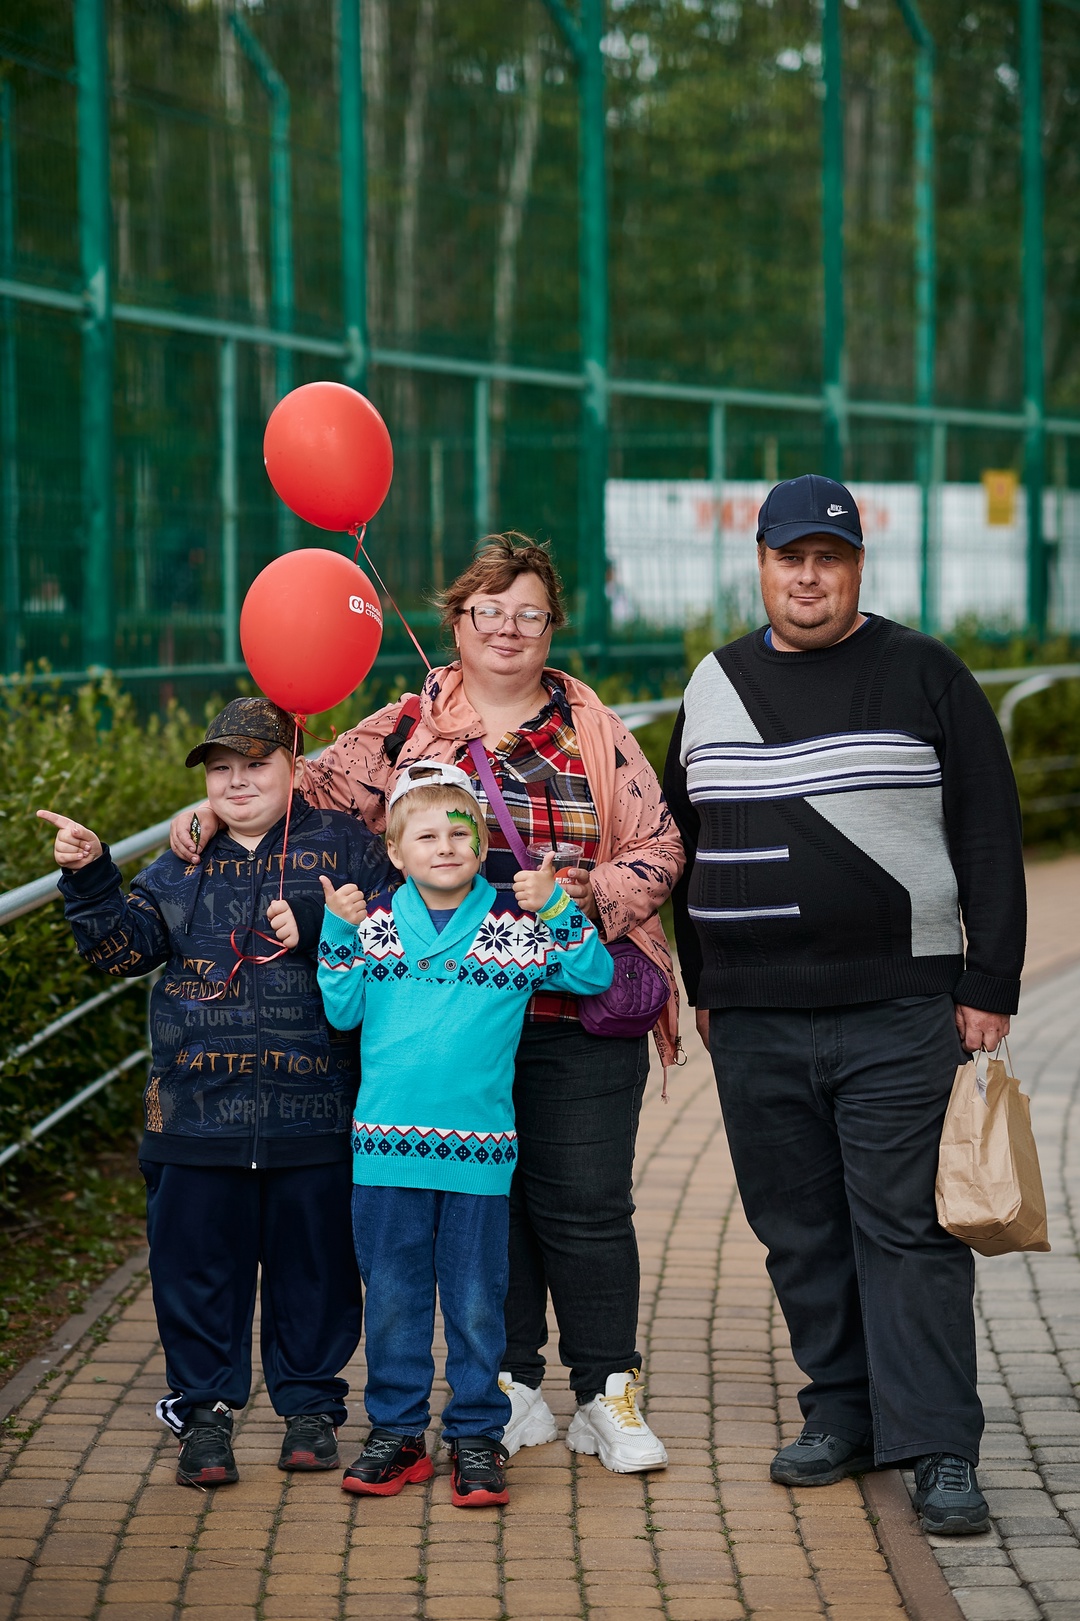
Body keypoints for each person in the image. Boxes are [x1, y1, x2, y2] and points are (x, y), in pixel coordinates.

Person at [172, 534, 684, 1473]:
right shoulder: (403, 726)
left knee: (583, 1207)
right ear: (457, 620)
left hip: (567, 1004)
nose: (508, 629)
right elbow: (299, 790)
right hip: (435, 1018)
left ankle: (609, 1392)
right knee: (496, 1208)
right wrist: (215, 812)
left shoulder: (592, 728)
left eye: (528, 613)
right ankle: (514, 1387)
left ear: (550, 628)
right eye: (489, 610)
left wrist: (574, 901)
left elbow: (659, 846)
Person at [663, 474, 1026, 1538]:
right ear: (763, 565)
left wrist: (990, 980)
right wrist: (705, 986)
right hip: (756, 1018)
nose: (808, 576)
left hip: (898, 1007)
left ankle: (939, 1449)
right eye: (789, 556)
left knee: (909, 1230)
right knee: (799, 1229)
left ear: (858, 566)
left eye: (828, 556)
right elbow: (684, 846)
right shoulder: (715, 682)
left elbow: (991, 832)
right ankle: (845, 1415)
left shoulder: (926, 673)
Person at [41, 698, 391, 1488]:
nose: (238, 781)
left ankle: (310, 1409)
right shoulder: (182, 859)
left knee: (319, 1267)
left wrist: (314, 918)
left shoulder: (349, 848)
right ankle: (205, 1414)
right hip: (195, 1114)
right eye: (221, 768)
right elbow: (122, 949)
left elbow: (394, 934)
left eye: (256, 764)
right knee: (194, 1266)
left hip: (320, 1113)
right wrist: (89, 871)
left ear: (293, 766)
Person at [318, 763, 614, 1506]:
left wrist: (552, 907)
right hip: (385, 1154)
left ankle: (478, 1435)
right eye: (426, 834)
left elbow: (592, 971)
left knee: (479, 1300)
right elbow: (344, 1010)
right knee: (392, 1297)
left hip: (478, 1156)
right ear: (395, 850)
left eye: (460, 832)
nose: (444, 845)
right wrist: (338, 930)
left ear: (483, 847)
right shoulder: (379, 928)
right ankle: (396, 1432)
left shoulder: (511, 933)